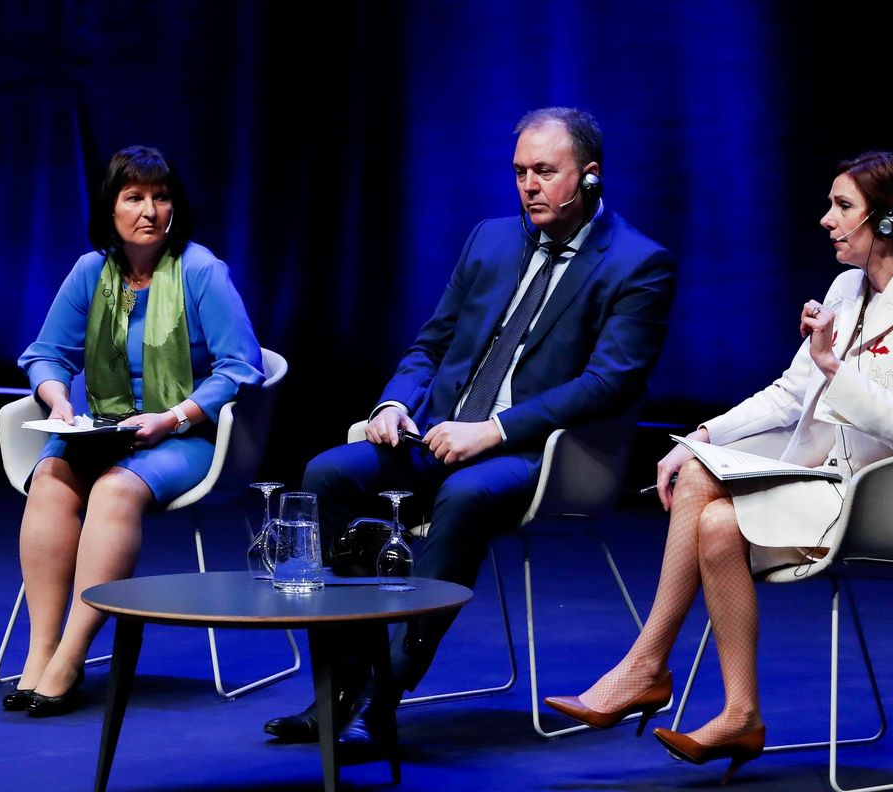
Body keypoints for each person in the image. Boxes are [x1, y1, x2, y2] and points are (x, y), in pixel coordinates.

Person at [544, 151, 893, 784]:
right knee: (712, 514)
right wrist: (699, 435)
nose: (826, 219)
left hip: (889, 500)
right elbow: (788, 393)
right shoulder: (847, 287)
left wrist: (834, 367)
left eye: (842, 206)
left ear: (884, 221)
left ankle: (644, 668)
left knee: (710, 503)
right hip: (823, 477)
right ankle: (738, 712)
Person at [264, 107, 676, 748]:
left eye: (545, 171)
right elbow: (430, 345)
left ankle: (381, 690)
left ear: (590, 178)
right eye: (519, 173)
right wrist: (392, 406)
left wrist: (496, 431)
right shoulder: (490, 238)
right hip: (438, 435)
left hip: (539, 454)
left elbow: (609, 383)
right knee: (328, 472)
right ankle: (339, 680)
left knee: (465, 495)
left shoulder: (636, 263)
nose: (529, 186)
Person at [7, 146, 264, 717]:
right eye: (134, 198)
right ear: (112, 209)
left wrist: (173, 417)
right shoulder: (91, 273)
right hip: (104, 427)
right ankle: (40, 649)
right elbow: (46, 354)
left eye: (160, 196)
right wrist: (57, 400)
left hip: (185, 434)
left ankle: (71, 657)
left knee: (114, 489)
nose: (149, 210)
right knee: (49, 478)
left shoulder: (200, 270)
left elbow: (241, 367)